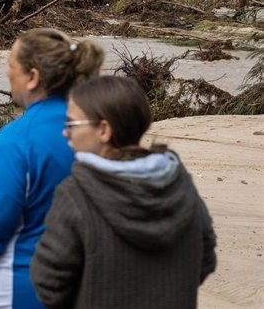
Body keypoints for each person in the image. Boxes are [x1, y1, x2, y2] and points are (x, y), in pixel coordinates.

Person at [0, 28, 104, 309]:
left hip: (13, 293)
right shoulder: (98, 135)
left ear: (32, 77)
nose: (8, 74)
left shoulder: (17, 141)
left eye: (11, 66)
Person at [30, 75, 216, 308]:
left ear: (104, 130)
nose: (65, 133)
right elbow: (206, 259)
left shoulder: (76, 194)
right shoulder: (180, 184)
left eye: (71, 125)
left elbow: (48, 283)